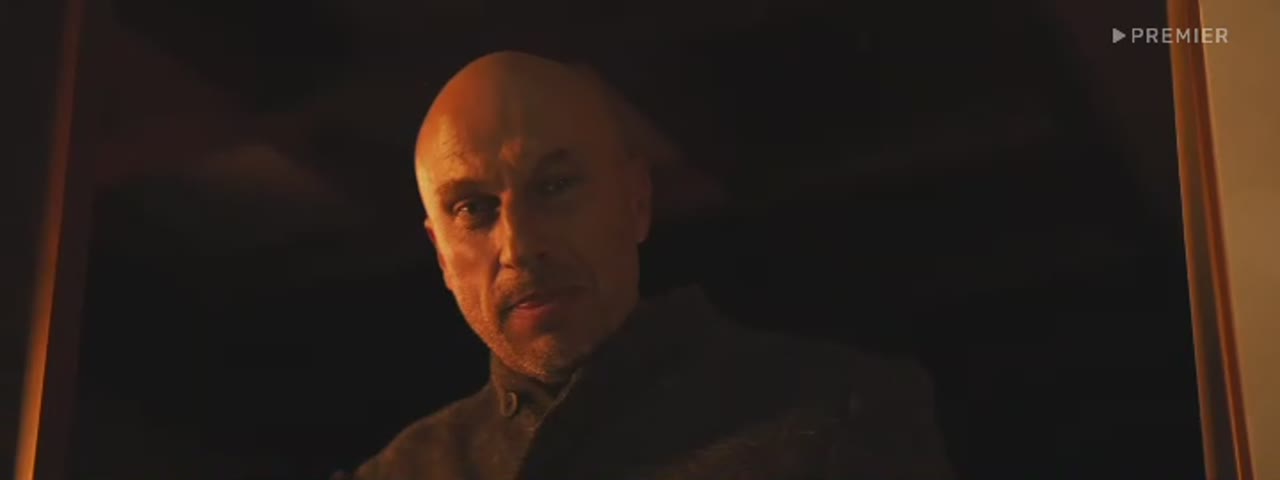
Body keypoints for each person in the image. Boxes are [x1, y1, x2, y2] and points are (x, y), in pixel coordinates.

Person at [337, 51, 954, 480]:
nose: (519, 247)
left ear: (635, 201)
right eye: (473, 209)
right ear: (441, 256)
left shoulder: (841, 411)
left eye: (554, 186)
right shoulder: (400, 473)